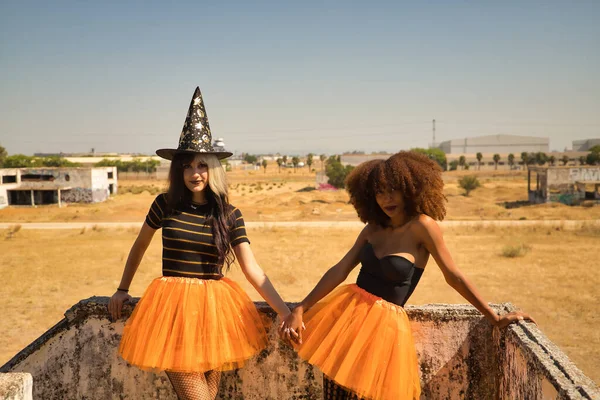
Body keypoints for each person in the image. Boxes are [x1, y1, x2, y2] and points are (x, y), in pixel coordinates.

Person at [280, 151, 535, 400]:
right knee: (335, 395)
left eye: (394, 189)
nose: (386, 198)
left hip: (384, 331)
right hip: (346, 322)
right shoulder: (372, 229)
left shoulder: (422, 226)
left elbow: (453, 275)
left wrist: (494, 317)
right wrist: (302, 307)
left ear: (410, 188)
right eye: (380, 191)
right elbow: (340, 269)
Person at [108, 87, 290, 400]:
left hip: (215, 314)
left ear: (213, 168)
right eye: (188, 165)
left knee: (207, 394)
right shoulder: (164, 204)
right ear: (179, 169)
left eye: (202, 165)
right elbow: (139, 247)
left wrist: (285, 311)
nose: (195, 173)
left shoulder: (230, 214)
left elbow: (252, 268)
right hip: (172, 312)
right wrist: (123, 289)